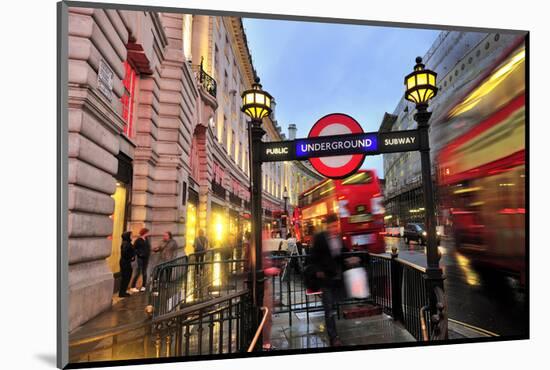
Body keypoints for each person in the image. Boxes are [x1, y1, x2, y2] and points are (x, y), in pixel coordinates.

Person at [309, 213, 350, 347]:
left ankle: (335, 332)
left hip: (337, 278)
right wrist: (318, 271)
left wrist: (351, 257)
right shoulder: (320, 238)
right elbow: (313, 257)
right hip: (325, 278)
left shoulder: (338, 237)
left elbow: (341, 254)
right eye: (332, 226)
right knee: (329, 309)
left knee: (335, 305)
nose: (334, 228)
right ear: (327, 226)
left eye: (336, 226)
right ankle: (334, 338)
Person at [130, 228, 151, 293]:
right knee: (138, 272)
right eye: (148, 232)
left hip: (146, 258)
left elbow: (148, 248)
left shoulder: (147, 239)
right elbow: (134, 248)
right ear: (145, 233)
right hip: (140, 258)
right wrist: (139, 253)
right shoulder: (138, 240)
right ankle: (133, 286)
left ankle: (143, 286)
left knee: (144, 272)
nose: (149, 233)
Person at [118, 231, 135, 297]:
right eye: (131, 235)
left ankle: (123, 291)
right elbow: (125, 253)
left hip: (126, 262)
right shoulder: (126, 243)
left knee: (127, 277)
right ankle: (122, 293)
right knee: (125, 277)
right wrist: (131, 256)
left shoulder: (127, 243)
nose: (132, 236)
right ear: (127, 236)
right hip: (125, 262)